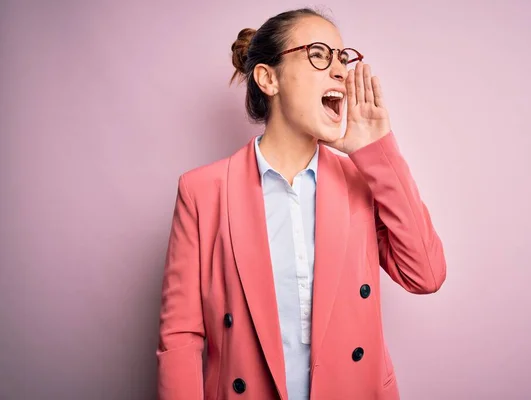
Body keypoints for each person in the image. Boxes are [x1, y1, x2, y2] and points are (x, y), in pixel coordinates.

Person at [156, 7, 446, 400]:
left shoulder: (361, 182)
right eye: (319, 54)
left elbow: (426, 275)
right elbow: (180, 337)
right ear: (268, 78)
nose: (340, 71)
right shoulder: (202, 191)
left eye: (342, 58)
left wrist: (377, 152)